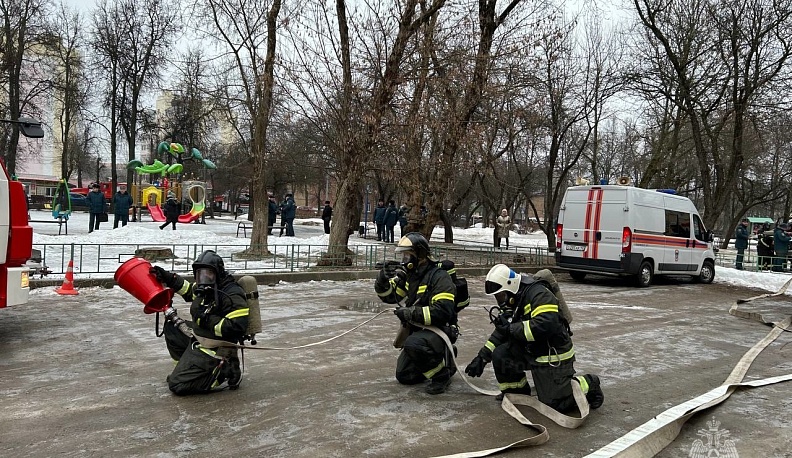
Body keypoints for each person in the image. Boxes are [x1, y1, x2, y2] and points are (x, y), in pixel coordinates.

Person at [465, 264, 603, 412]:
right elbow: (502, 332)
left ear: (510, 286)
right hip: (532, 350)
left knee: (554, 405)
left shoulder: (539, 295)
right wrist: (482, 357)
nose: (499, 301)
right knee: (501, 354)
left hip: (552, 354)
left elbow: (545, 325)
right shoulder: (515, 298)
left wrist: (511, 328)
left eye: (500, 295)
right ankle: (516, 393)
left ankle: (589, 383)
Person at [150, 250, 248, 395]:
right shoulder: (209, 286)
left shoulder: (231, 294)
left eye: (208, 273)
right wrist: (169, 278)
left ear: (218, 272)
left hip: (217, 345)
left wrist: (206, 319)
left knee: (177, 385)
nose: (203, 278)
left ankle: (223, 372)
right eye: (199, 274)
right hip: (201, 337)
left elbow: (236, 328)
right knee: (172, 327)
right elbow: (189, 291)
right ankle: (185, 369)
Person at [374, 232, 457, 394]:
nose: (404, 260)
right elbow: (391, 296)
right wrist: (382, 280)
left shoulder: (440, 277)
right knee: (404, 375)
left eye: (407, 255)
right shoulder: (412, 276)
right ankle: (443, 359)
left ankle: (442, 375)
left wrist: (410, 313)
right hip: (419, 332)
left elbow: (442, 312)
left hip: (440, 330)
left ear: (419, 255)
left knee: (413, 344)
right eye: (403, 256)